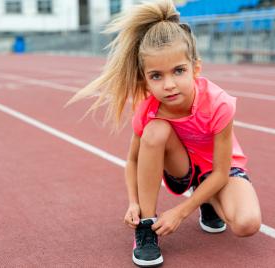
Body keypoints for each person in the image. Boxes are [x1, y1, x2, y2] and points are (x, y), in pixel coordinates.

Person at [66, 0, 262, 267]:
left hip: (218, 171)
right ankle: (146, 227)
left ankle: (208, 203)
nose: (169, 85)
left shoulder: (219, 103)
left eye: (179, 71)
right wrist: (133, 203)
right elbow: (133, 161)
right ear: (145, 79)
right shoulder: (149, 109)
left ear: (196, 68)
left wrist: (181, 212)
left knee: (246, 224)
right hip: (180, 167)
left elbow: (219, 172)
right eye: (156, 76)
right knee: (156, 129)